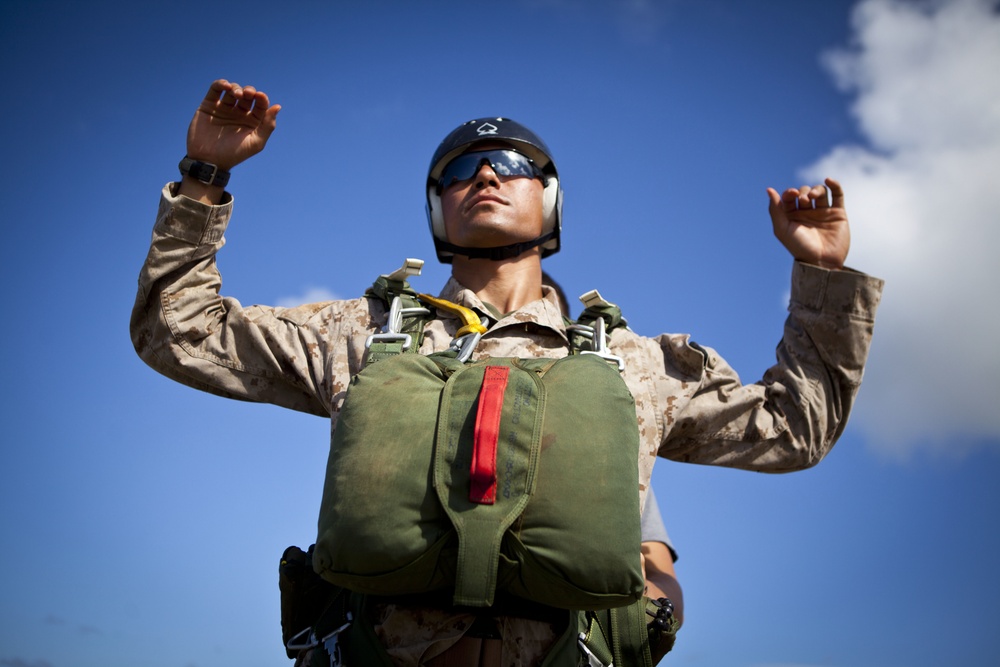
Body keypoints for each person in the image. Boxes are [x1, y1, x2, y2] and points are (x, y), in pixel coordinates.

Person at [131, 80, 883, 666]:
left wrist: (822, 274)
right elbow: (181, 331)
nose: (485, 171)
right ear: (438, 207)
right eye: (459, 170)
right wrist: (205, 177)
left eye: (513, 164)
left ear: (549, 199)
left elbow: (794, 428)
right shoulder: (361, 332)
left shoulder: (638, 362)